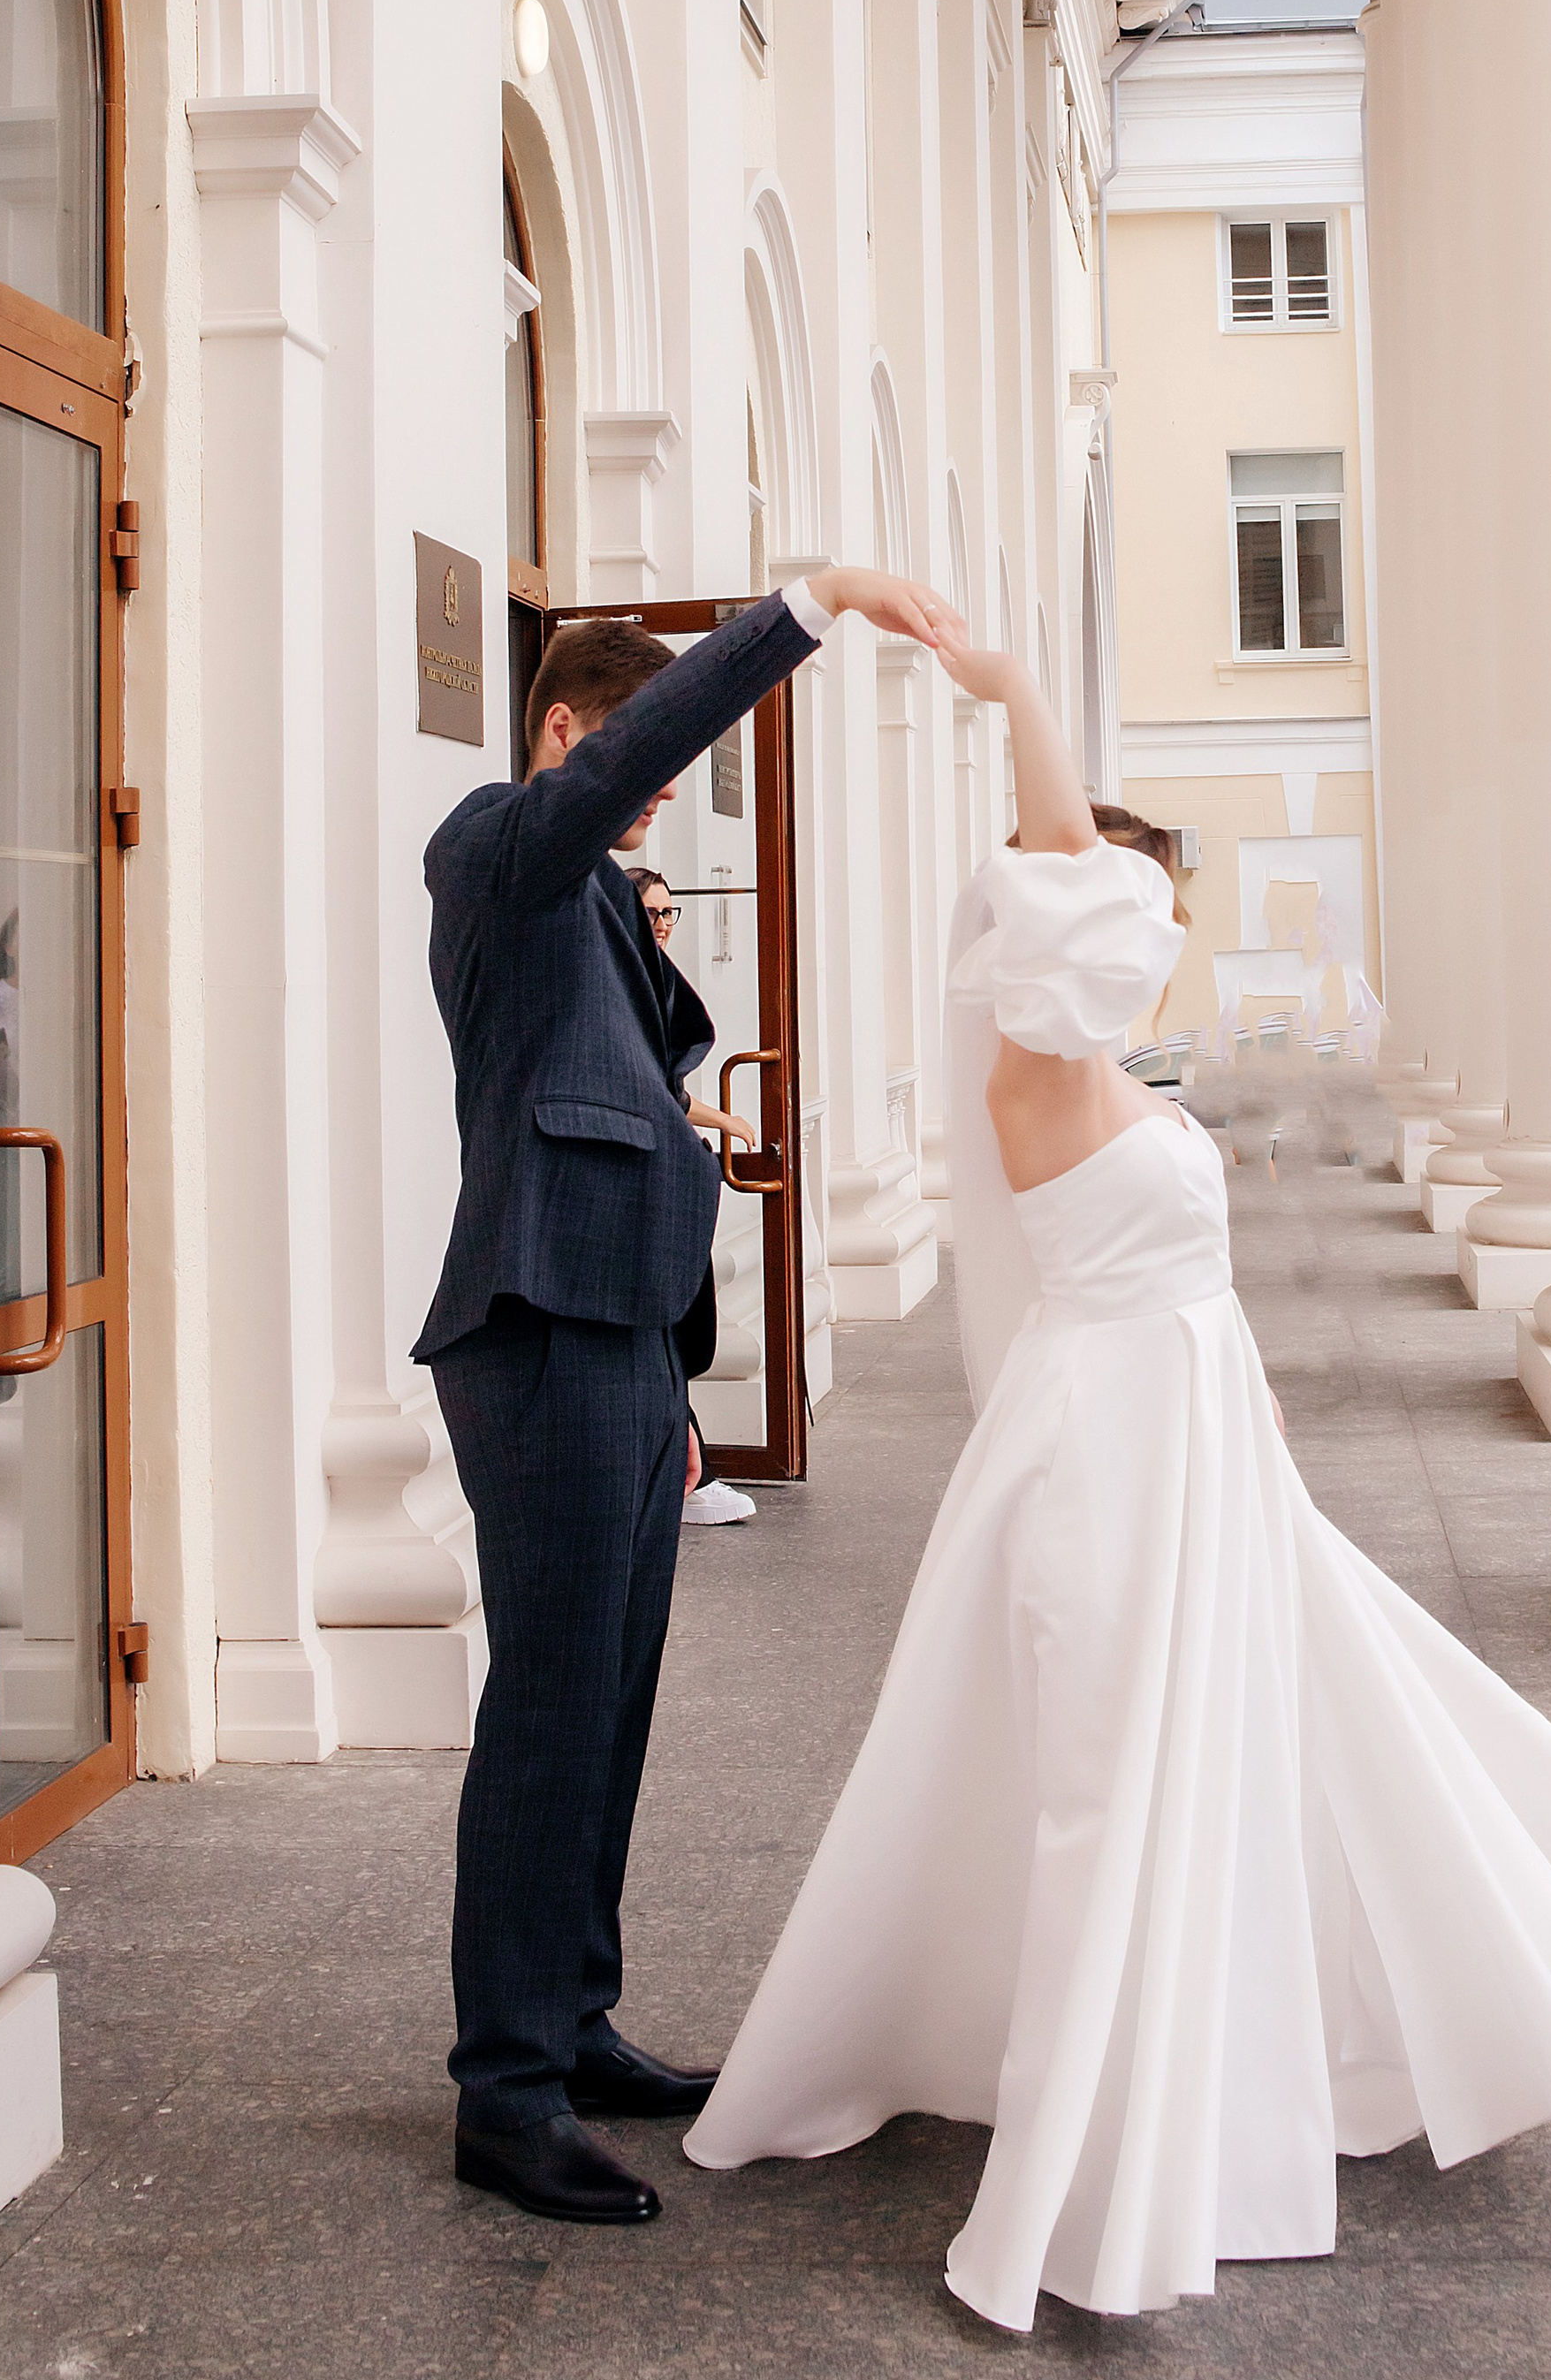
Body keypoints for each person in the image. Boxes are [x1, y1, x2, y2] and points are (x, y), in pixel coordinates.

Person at [687, 637, 1551, 2330]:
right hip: (1110, 1449)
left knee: (1298, 1711)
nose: (1160, 936)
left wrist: (1263, 1415)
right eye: (1139, 912)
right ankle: (1113, 2119)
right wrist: (1015, 697)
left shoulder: (1129, 1077)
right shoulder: (1045, 1065)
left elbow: (1191, 1258)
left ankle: (1291, 2026)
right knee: (1116, 1769)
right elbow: (1068, 912)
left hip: (1196, 1428)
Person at [417, 566, 962, 2231]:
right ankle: (504, 2090)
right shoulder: (493, 841)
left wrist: (652, 970)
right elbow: (609, 778)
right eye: (633, 772)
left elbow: (613, 1084)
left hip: (621, 1335)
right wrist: (808, 608)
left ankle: (574, 2026)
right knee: (550, 1711)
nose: (652, 802)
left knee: (613, 1705)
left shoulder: (585, 895)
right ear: (567, 731)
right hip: (538, 1329)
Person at [623, 866, 759, 1532]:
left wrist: (725, 1124)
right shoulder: (623, 988)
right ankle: (689, 1469)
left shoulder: (652, 984)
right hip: (644, 1194)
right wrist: (720, 1124)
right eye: (651, 914)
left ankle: (687, 1466)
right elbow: (660, 1092)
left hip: (670, 1186)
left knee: (678, 1337)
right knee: (668, 1338)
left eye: (669, 914)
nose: (663, 927)